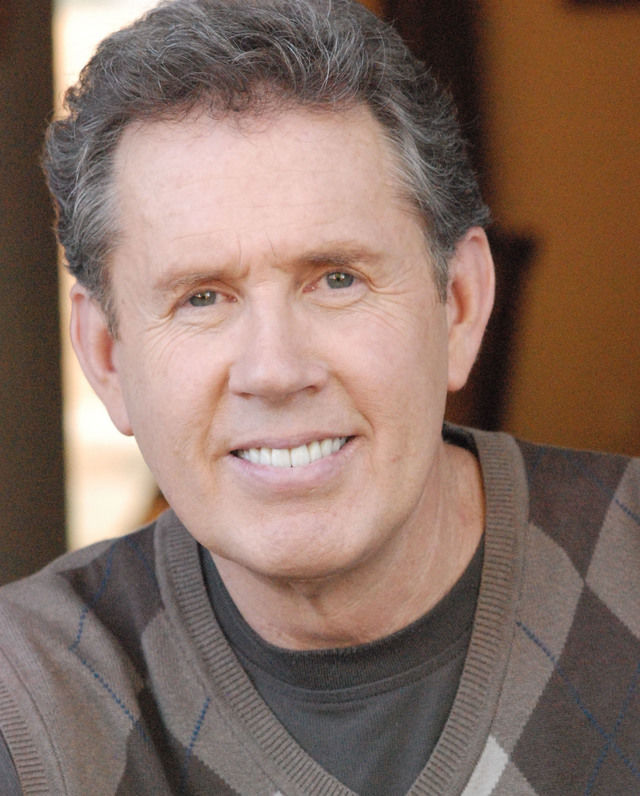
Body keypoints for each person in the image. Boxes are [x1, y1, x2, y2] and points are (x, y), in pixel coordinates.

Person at [1, 0, 638, 793]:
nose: (275, 370)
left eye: (337, 279)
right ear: (106, 356)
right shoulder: (25, 699)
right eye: (202, 297)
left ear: (460, 305)